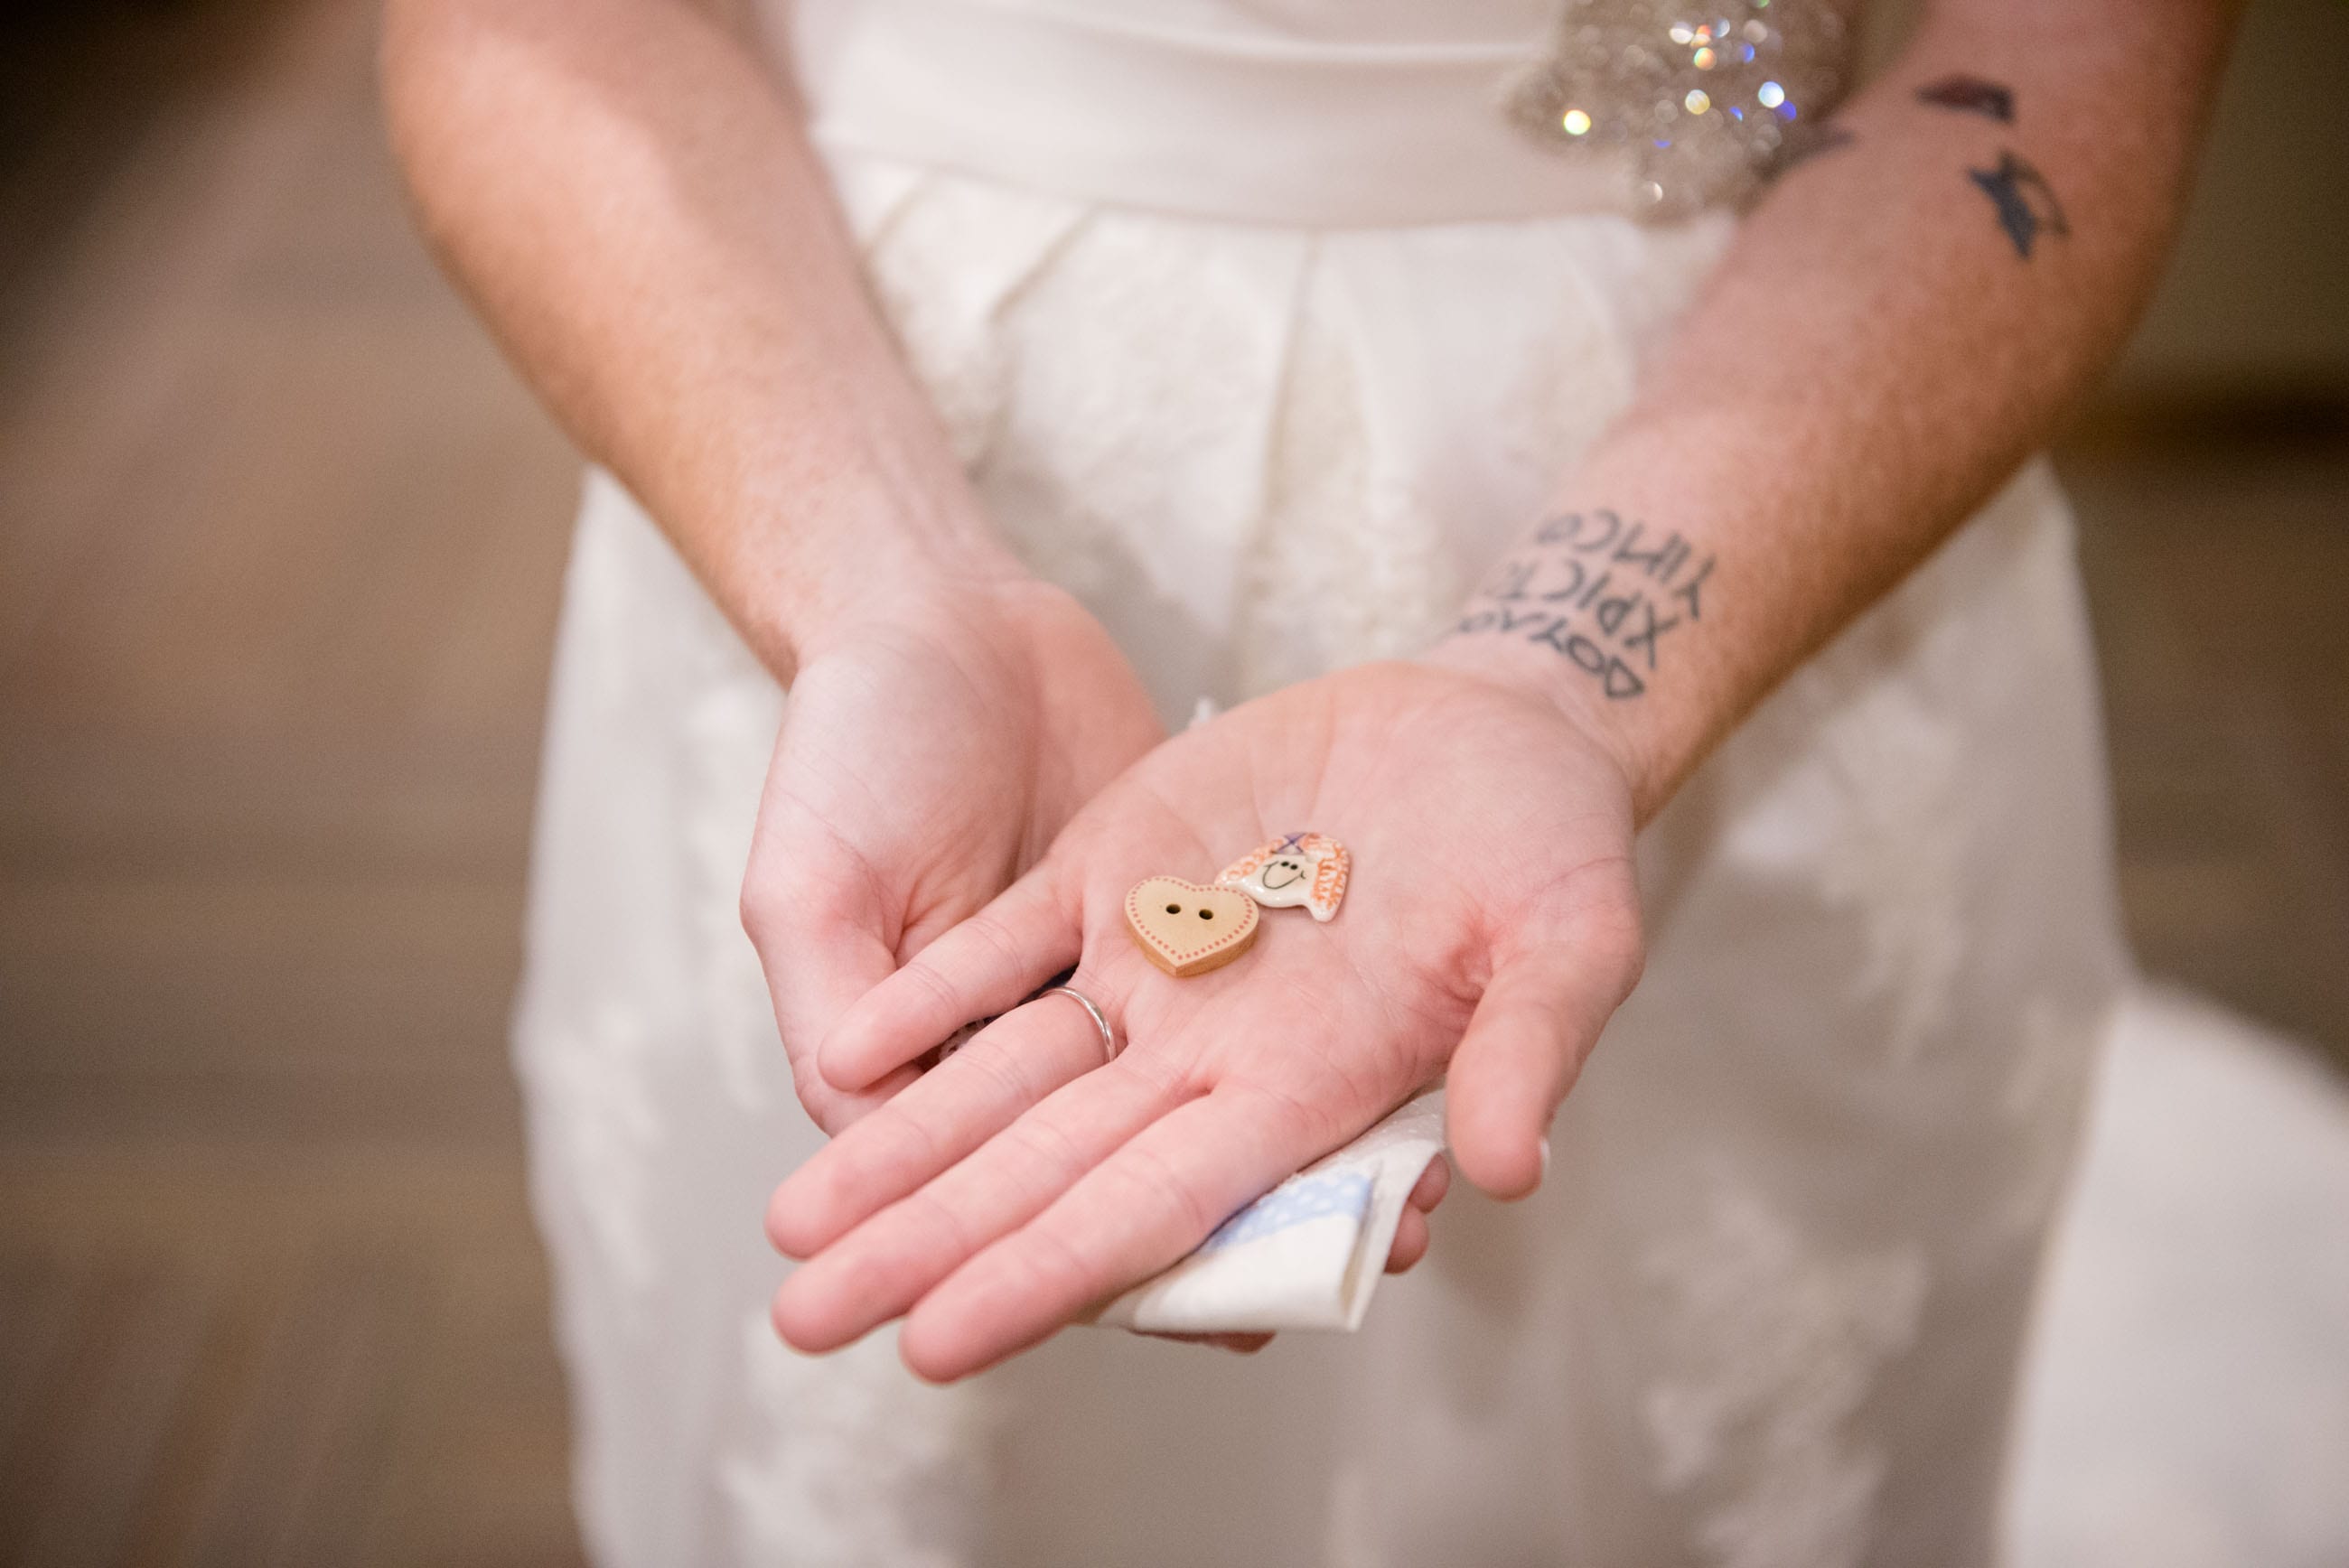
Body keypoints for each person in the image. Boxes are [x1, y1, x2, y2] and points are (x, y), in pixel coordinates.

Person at [382, 0, 2238, 1562]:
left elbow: (2072, 46)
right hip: (832, 408)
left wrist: (1565, 687)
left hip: (1778, 453)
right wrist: (888, 595)